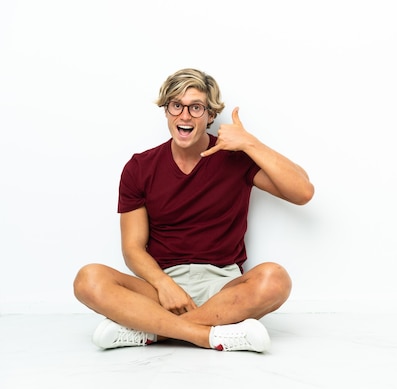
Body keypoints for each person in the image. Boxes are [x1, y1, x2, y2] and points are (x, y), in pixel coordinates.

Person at [73, 68, 314, 353]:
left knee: (276, 279)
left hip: (224, 287)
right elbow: (132, 248)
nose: (184, 116)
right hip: (161, 286)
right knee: (88, 279)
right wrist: (164, 284)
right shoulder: (140, 167)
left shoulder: (236, 158)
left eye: (196, 107)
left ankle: (151, 331)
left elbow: (303, 192)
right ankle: (208, 336)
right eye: (176, 105)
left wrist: (250, 143)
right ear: (166, 111)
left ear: (210, 115)